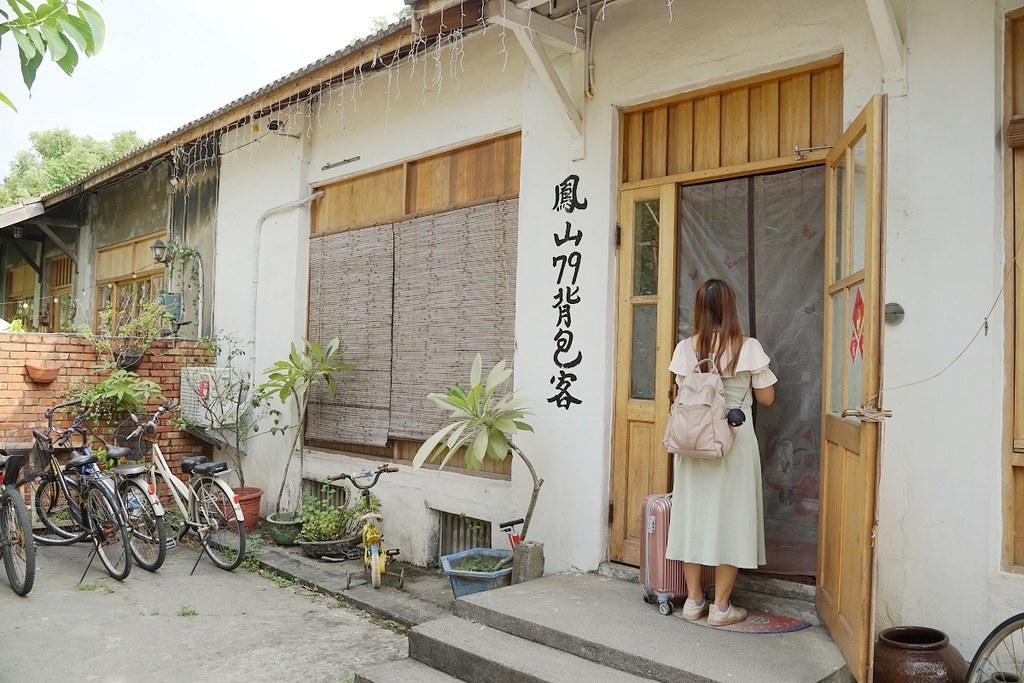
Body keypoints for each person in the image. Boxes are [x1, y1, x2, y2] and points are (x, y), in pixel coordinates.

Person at [665, 278, 777, 627]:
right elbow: (767, 398)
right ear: (730, 307)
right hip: (733, 442)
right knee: (733, 520)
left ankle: (694, 601)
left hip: (693, 443)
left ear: (699, 308)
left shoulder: (686, 348)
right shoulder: (747, 347)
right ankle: (722, 608)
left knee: (692, 519)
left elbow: (679, 392)